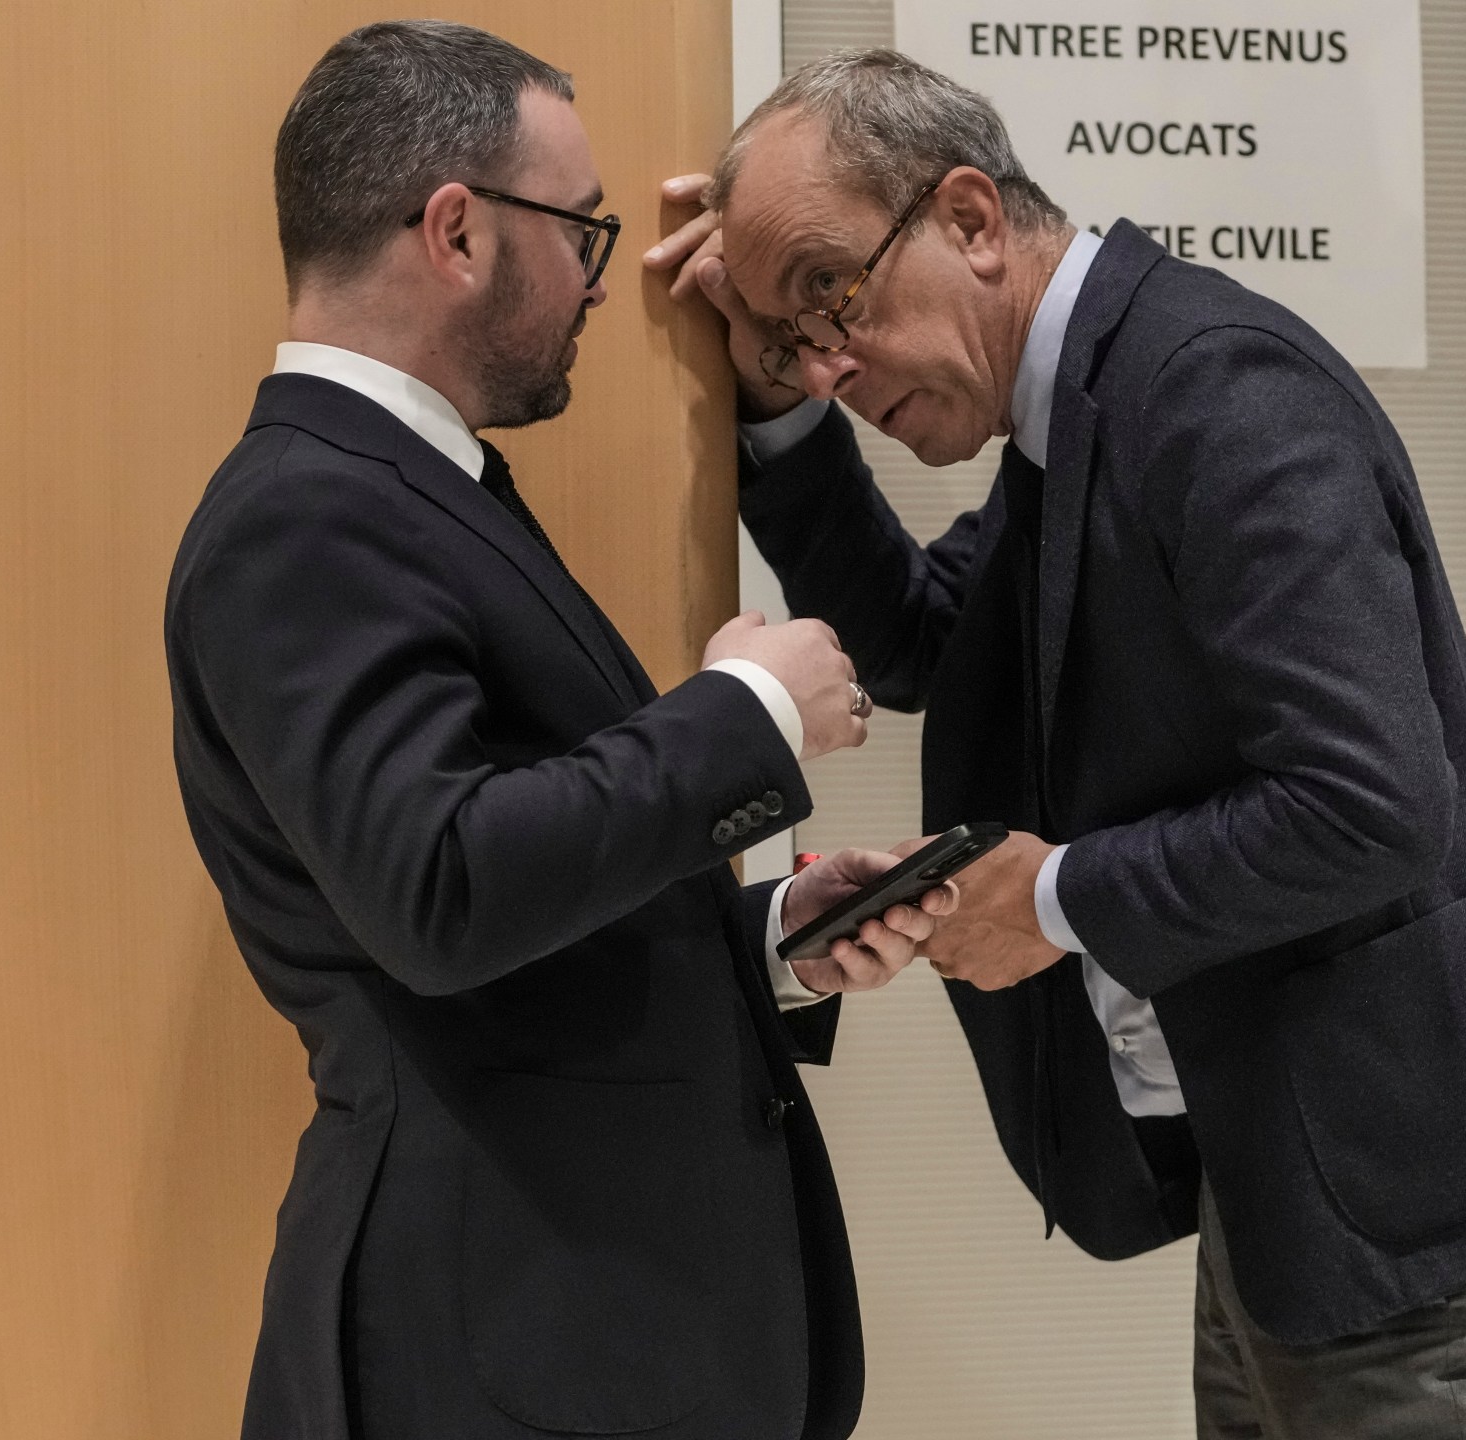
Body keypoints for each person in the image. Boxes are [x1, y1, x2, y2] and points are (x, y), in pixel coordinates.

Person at [646, 49, 1466, 1439]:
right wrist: (766, 399)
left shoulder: (1213, 390)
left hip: (1425, 1192)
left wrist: (1056, 901)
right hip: (1307, 1177)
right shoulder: (1082, 405)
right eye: (795, 335)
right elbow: (920, 637)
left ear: (968, 217)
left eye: (835, 296)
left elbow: (1370, 802)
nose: (833, 361)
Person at [166, 23, 942, 1440]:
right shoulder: (306, 515)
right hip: (494, 1349)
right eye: (579, 230)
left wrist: (760, 944)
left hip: (568, 1334)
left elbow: (509, 906)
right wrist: (750, 715)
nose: (600, 278)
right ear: (457, 232)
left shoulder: (407, 491)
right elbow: (439, 891)